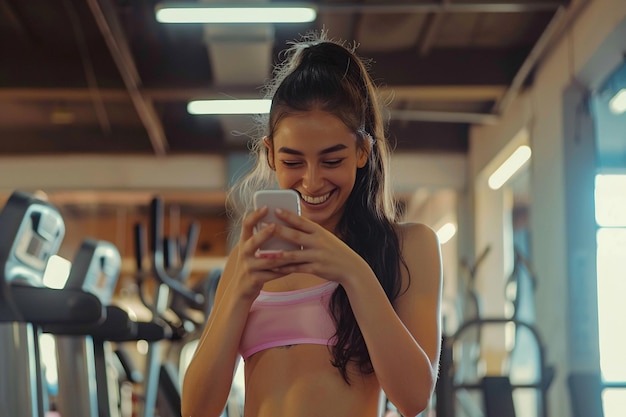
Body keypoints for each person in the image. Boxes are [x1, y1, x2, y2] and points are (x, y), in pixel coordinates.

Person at [181, 31, 443, 417]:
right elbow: (197, 410)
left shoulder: (408, 246)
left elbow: (414, 398)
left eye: (332, 160)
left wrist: (353, 271)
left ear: (361, 151)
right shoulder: (248, 259)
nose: (312, 181)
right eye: (292, 162)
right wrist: (239, 293)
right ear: (270, 154)